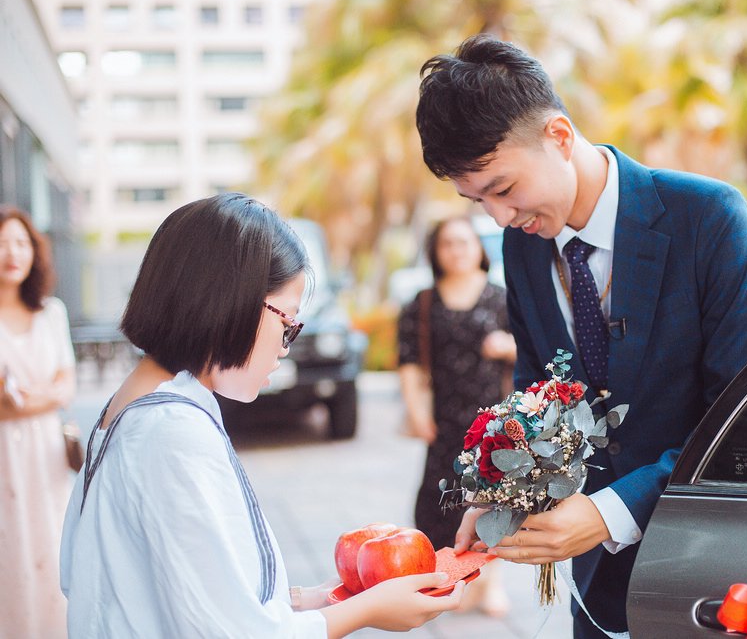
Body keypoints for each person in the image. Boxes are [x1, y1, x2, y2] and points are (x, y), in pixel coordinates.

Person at [415, 35, 747, 637]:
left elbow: (745, 420)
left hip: (710, 581)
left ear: (558, 136)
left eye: (502, 190)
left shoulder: (708, 217)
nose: (498, 219)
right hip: (593, 591)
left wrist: (611, 512)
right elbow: (539, 395)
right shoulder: (521, 249)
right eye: (475, 201)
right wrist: (508, 490)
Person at [60, 193, 464, 638]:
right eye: (286, 321)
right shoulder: (170, 430)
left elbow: (176, 583)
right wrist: (365, 612)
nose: (285, 345)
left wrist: (314, 599)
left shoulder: (130, 406)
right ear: (228, 302)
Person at [397, 216, 515, 616]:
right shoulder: (423, 302)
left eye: (464, 242)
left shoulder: (501, 297)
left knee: (491, 501)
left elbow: (533, 351)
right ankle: (447, 580)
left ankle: (491, 584)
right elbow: (410, 362)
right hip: (443, 421)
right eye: (448, 243)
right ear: (436, 252)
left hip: (491, 423)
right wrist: (417, 413)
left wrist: (506, 346)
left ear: (478, 249)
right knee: (438, 502)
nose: (457, 250)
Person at [0, 206, 76, 639]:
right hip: (4, 454)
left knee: (50, 543)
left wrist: (21, 401)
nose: (12, 253)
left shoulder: (52, 313)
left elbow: (66, 386)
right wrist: (41, 397)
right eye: (3, 243)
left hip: (44, 455)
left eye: (21, 243)